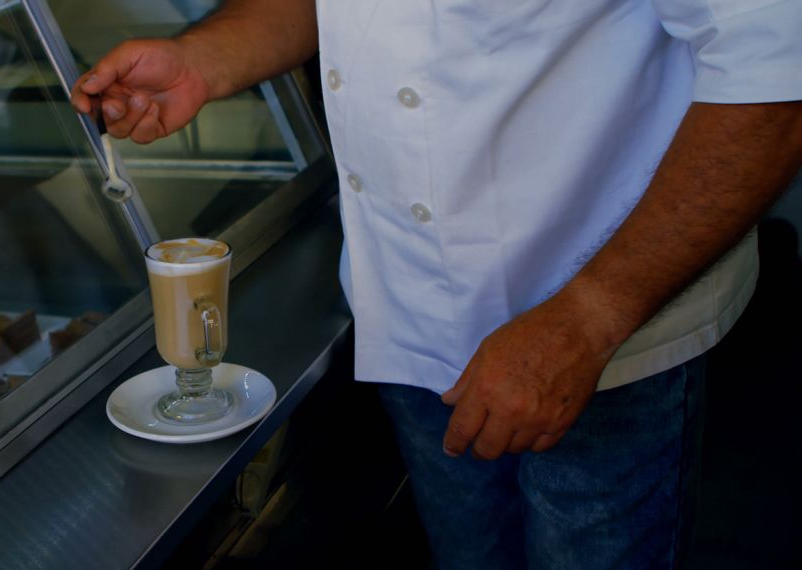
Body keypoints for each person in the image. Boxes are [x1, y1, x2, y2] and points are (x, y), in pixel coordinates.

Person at [71, 1, 802, 567]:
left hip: (602, 338)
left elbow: (775, 81)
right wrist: (202, 58)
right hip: (409, 308)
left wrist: (587, 317)